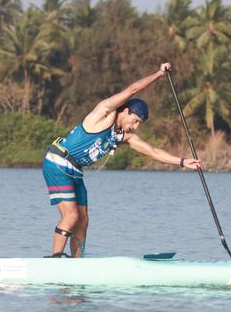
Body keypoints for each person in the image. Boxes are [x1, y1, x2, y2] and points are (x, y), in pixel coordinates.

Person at [42, 62, 202, 257]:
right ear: (125, 111)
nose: (135, 127)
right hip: (58, 162)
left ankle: (77, 263)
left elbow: (153, 152)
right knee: (72, 216)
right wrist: (159, 74)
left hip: (75, 170)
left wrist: (183, 162)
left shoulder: (123, 136)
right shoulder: (105, 113)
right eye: (134, 121)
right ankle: (54, 260)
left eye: (139, 124)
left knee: (83, 219)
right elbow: (132, 89)